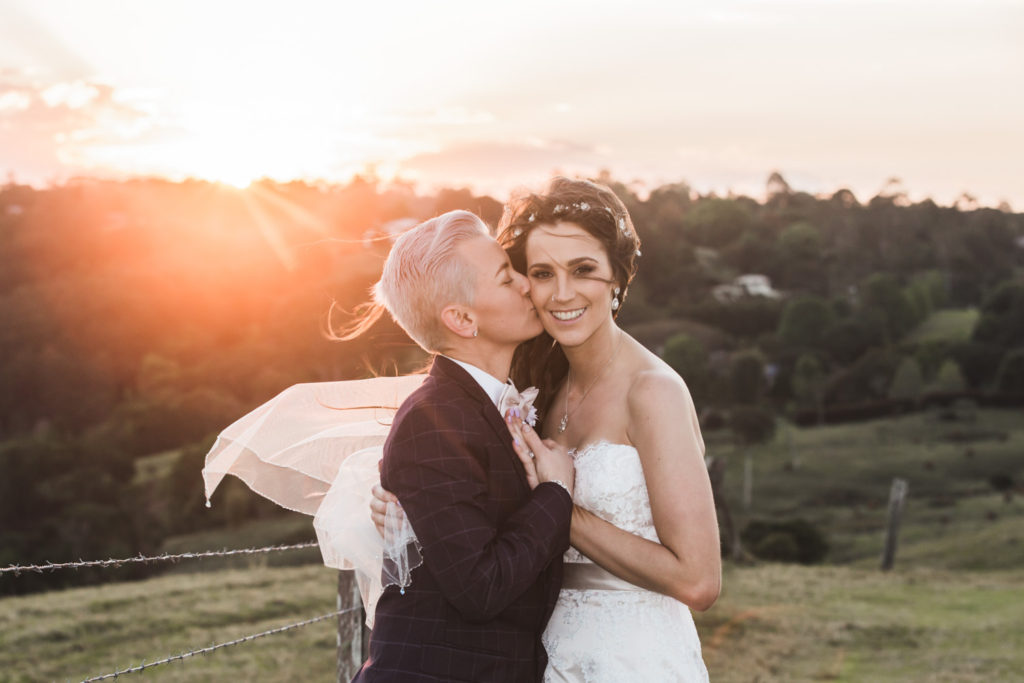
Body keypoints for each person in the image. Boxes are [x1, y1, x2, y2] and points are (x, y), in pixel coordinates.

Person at [373, 177, 720, 681]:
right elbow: (469, 488)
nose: (560, 294)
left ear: (617, 277)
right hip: (545, 655)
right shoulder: (537, 386)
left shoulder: (653, 390)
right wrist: (414, 515)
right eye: (539, 272)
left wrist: (559, 502)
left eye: (583, 270)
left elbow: (699, 581)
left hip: (631, 656)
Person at [347, 209, 577, 682]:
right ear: (462, 319)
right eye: (505, 277)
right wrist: (555, 494)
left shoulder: (486, 403)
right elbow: (480, 588)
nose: (525, 285)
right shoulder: (432, 420)